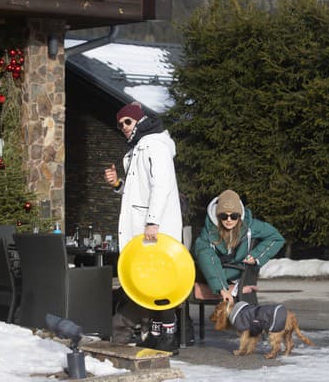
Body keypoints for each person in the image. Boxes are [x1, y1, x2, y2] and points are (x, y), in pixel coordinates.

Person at [104, 102, 182, 354]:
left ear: (139, 121)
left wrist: (152, 221)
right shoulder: (139, 147)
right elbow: (139, 191)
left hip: (155, 229)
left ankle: (169, 338)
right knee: (150, 281)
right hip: (147, 228)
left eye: (127, 122)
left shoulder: (154, 145)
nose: (123, 127)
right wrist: (118, 184)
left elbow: (162, 185)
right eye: (120, 124)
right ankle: (156, 335)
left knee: (161, 281)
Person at [193, 189, 285, 303]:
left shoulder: (250, 225)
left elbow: (276, 238)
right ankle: (233, 290)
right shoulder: (209, 231)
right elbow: (207, 258)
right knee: (191, 274)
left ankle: (232, 290)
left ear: (239, 215)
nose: (229, 220)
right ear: (217, 216)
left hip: (237, 271)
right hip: (211, 271)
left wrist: (256, 256)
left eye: (234, 216)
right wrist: (221, 288)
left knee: (194, 288)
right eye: (223, 216)